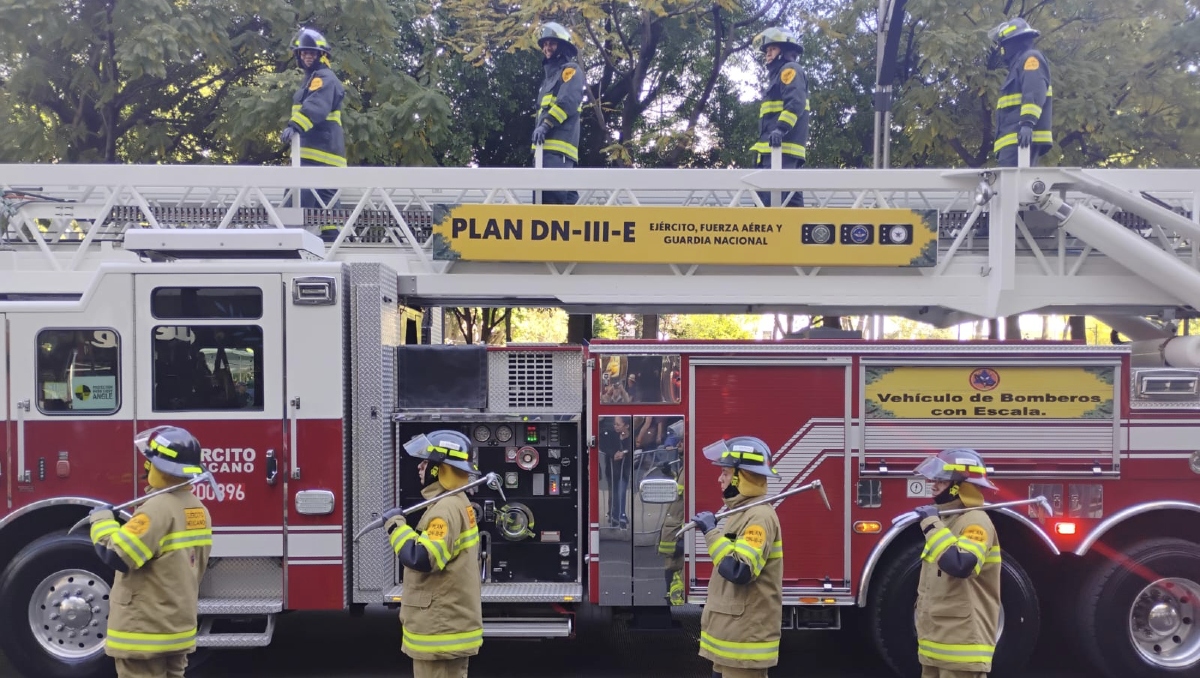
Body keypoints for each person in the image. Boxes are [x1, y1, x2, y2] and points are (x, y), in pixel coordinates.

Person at [88, 426, 214, 678]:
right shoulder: (197, 509)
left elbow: (117, 555)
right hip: (176, 630)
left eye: (150, 464)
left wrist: (102, 522)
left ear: (161, 468)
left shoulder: (155, 509)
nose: (147, 469)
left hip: (144, 633)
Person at [385, 430, 483, 678]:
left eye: (426, 461)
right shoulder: (454, 502)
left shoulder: (446, 509)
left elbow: (423, 558)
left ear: (441, 469)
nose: (420, 466)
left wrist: (396, 527)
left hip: (440, 631)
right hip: (445, 628)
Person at [690, 436, 783, 678]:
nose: (719, 479)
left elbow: (739, 571)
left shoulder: (759, 517)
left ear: (742, 477)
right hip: (733, 642)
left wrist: (711, 533)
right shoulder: (740, 513)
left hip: (744, 644)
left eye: (725, 472)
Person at [908, 448, 1003, 678]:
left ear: (959, 486)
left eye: (940, 480)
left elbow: (960, 565)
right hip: (936, 647)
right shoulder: (949, 521)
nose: (933, 484)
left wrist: (931, 524)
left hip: (961, 652)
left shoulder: (975, 522)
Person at [281, 27, 347, 242]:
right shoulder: (313, 78)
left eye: (311, 53)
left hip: (319, 153)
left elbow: (316, 106)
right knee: (326, 202)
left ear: (321, 55)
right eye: (304, 53)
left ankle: (285, 237)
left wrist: (295, 126)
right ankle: (331, 236)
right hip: (323, 153)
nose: (307, 56)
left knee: (297, 198)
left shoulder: (323, 78)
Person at [751, 27, 809, 208]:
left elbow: (795, 103)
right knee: (791, 212)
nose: (768, 54)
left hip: (780, 153)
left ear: (784, 51)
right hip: (776, 154)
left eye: (772, 49)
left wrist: (780, 129)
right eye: (767, 51)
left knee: (767, 213)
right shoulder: (776, 76)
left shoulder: (789, 70)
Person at [531, 22, 584, 205]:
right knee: (566, 207)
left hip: (557, 153)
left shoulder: (570, 70)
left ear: (562, 46)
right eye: (545, 44)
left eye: (551, 43)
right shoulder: (547, 81)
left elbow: (567, 102)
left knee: (551, 212)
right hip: (544, 152)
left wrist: (545, 125)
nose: (547, 47)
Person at [988, 18, 1052, 167]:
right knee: (1007, 186)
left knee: (1012, 186)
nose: (1002, 51)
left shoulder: (1030, 59)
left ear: (1013, 42)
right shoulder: (1018, 65)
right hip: (1015, 140)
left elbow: (1034, 91)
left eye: (1003, 45)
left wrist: (1027, 123)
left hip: (1021, 139)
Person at [657, 419, 687, 605]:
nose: (678, 445)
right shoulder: (685, 465)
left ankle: (675, 599)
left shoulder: (693, 467)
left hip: (678, 532)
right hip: (674, 531)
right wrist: (669, 474)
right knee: (671, 567)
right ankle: (672, 597)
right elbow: (681, 490)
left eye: (681, 441)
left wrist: (684, 540)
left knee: (675, 570)